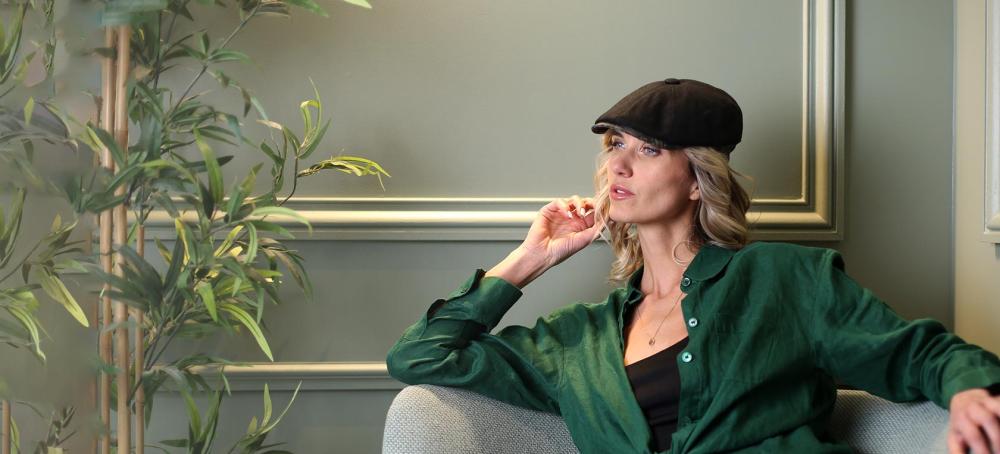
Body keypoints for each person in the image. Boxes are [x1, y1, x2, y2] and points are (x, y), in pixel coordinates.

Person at [385, 78, 1000, 453]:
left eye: (649, 149)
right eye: (614, 145)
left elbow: (919, 354)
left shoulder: (782, 279)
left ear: (698, 180)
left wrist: (971, 390)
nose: (618, 164)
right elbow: (422, 357)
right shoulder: (577, 341)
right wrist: (529, 260)